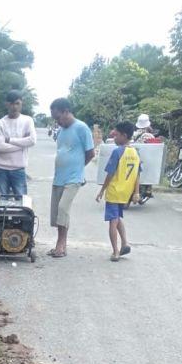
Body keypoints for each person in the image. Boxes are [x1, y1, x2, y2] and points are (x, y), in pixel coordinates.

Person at [48, 97, 95, 257]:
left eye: (58, 118)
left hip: (74, 178)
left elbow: (90, 153)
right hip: (59, 177)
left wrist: (78, 169)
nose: (58, 122)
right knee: (57, 213)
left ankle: (61, 245)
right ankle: (60, 245)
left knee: (63, 208)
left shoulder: (82, 128)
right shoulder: (61, 131)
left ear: (66, 112)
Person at [95, 120, 140, 261]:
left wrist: (102, 190)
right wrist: (136, 192)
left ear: (124, 136)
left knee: (112, 222)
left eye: (117, 135)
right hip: (125, 193)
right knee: (117, 218)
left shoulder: (117, 152)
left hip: (114, 191)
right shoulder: (135, 152)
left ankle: (115, 251)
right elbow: (138, 174)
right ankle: (125, 243)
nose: (114, 138)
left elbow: (110, 174)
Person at [0, 91, 36, 198]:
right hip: (1, 169)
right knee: (1, 204)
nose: (14, 107)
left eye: (17, 103)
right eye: (12, 104)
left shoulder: (27, 121)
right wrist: (22, 144)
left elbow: (32, 140)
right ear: (7, 104)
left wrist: (9, 140)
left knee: (22, 204)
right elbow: (0, 147)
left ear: (22, 103)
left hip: (19, 169)